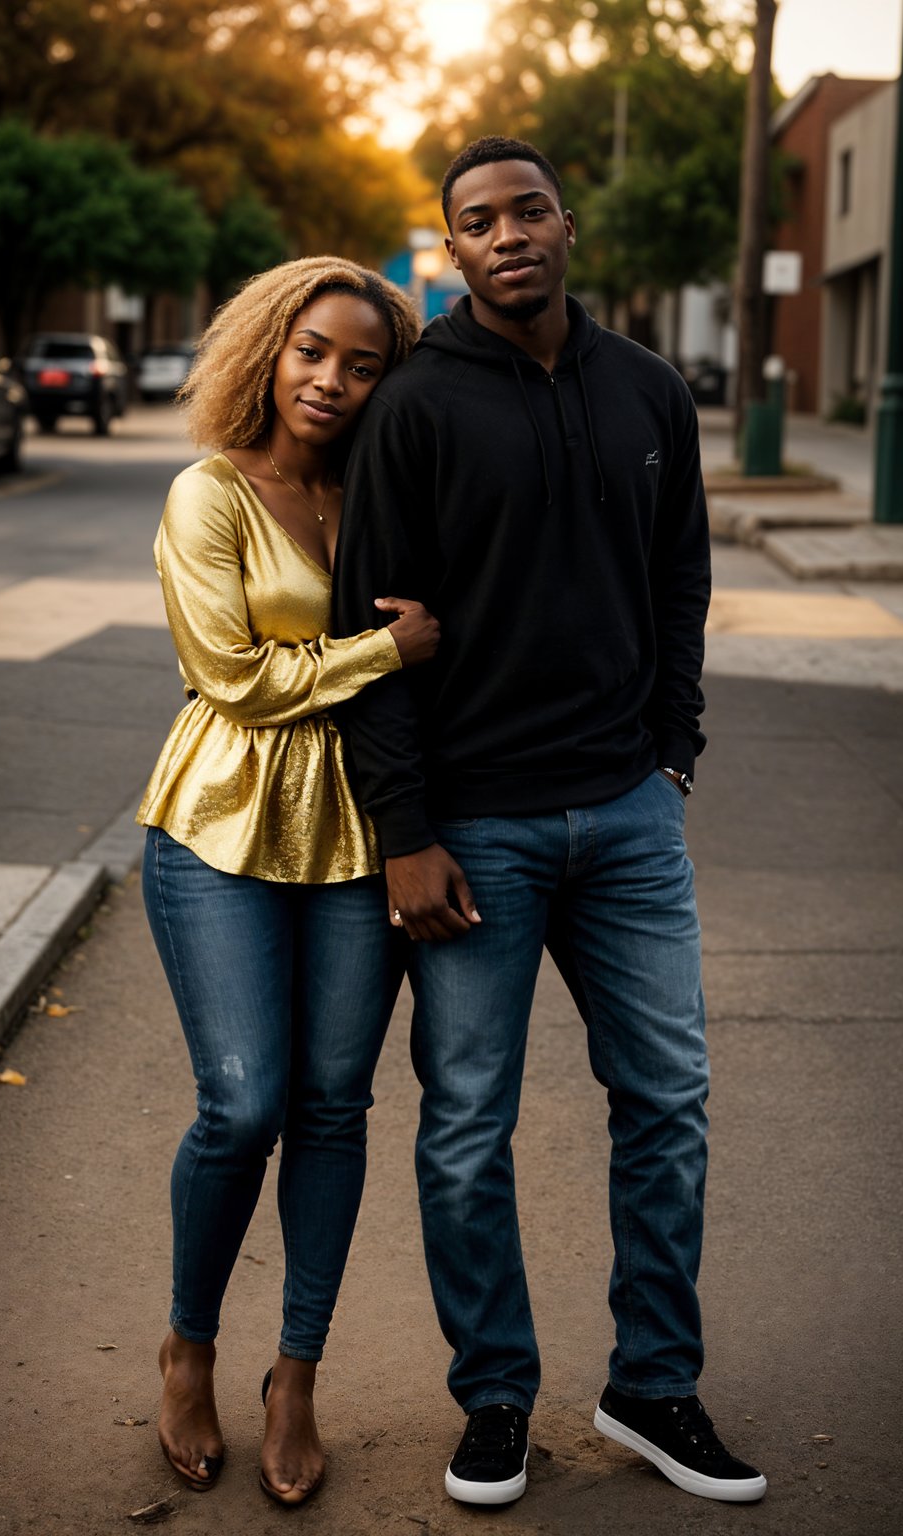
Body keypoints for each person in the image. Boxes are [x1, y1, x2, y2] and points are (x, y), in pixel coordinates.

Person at [333, 137, 766, 1508]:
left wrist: (676, 748)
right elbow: (368, 629)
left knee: (670, 1103)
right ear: (450, 251)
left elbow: (680, 575)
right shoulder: (411, 408)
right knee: (467, 1120)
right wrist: (405, 830)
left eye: (527, 210)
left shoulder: (650, 389)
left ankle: (653, 1385)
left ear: (564, 224)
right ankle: (496, 1398)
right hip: (477, 830)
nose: (507, 234)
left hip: (631, 818)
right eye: (478, 222)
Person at [137, 257, 434, 1507]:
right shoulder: (210, 493)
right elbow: (234, 676)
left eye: (363, 364)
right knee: (245, 1101)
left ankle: (296, 1374)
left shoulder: (378, 489)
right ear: (270, 345)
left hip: (356, 832)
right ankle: (188, 1346)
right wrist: (382, 645)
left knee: (332, 1106)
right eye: (314, 350)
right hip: (219, 829)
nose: (332, 379)